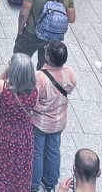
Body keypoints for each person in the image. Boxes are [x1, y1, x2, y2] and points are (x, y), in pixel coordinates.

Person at [0, 53, 39, 192]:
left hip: (1, 131)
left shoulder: (2, 87)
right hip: (23, 135)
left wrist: (6, 71)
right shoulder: (34, 91)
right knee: (18, 167)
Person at [13, 0, 76, 69]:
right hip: (52, 37)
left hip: (31, 33)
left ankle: (17, 82)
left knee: (19, 62)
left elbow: (24, 13)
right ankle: (40, 82)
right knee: (45, 67)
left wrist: (20, 29)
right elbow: (71, 18)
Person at [31, 43, 76, 192]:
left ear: (48, 57)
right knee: (54, 150)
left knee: (37, 152)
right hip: (59, 121)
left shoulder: (40, 77)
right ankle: (51, 181)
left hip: (40, 122)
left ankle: (34, 184)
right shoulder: (69, 72)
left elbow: (33, 99)